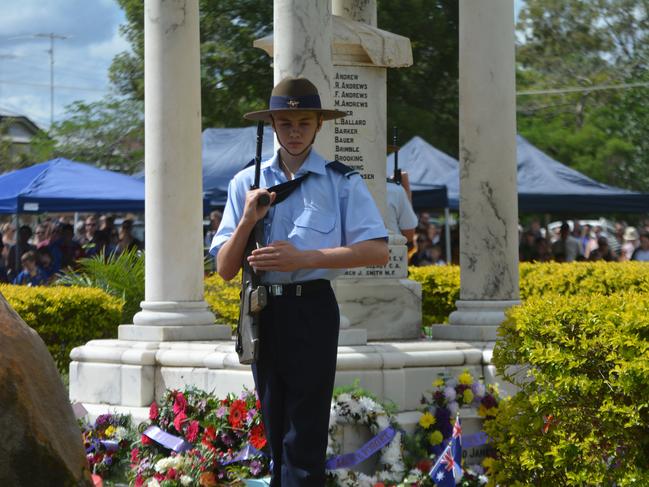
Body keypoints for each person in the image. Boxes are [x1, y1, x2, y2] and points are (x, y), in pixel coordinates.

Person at [210, 77, 388, 486]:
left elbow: (377, 249)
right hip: (262, 309)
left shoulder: (340, 180)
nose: (294, 131)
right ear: (272, 123)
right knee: (275, 426)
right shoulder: (245, 183)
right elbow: (224, 268)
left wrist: (303, 258)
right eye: (286, 122)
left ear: (318, 126)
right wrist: (247, 221)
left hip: (312, 307)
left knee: (304, 432)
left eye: (304, 122)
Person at [385, 176, 417, 247]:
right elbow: (409, 234)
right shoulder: (395, 190)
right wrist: (407, 191)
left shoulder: (355, 187)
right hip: (390, 253)